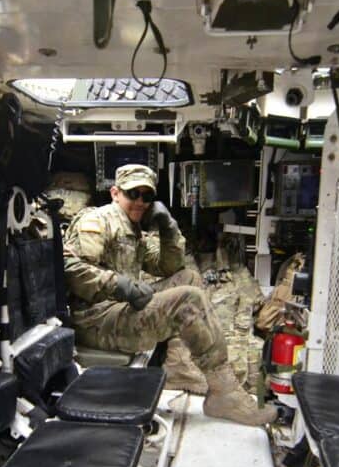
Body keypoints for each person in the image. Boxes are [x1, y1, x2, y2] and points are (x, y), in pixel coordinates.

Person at [63, 164, 277, 426]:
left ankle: (186, 370)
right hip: (97, 321)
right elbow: (70, 269)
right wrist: (119, 285)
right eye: (133, 194)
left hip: (117, 309)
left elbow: (170, 266)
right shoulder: (98, 221)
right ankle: (225, 392)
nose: (140, 202)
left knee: (189, 279)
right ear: (115, 192)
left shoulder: (133, 229)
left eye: (147, 196)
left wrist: (168, 227)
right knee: (189, 299)